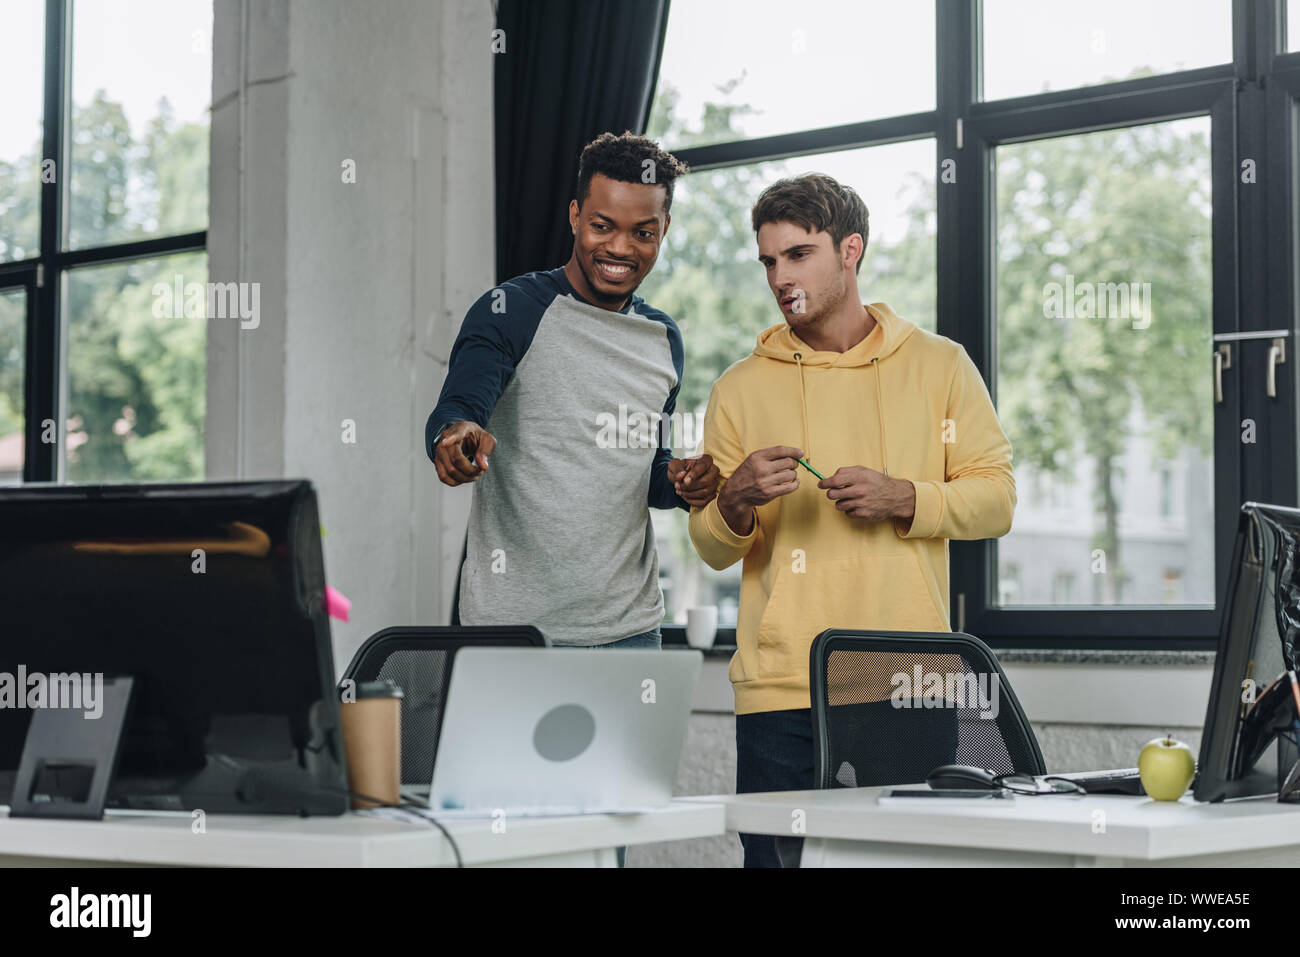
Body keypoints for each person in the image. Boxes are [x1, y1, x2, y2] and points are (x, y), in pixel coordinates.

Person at [688, 172, 1017, 867]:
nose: (780, 276)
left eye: (798, 253)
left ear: (850, 251)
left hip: (908, 679)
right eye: (769, 260)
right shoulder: (739, 389)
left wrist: (906, 498)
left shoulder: (941, 366)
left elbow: (997, 499)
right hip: (779, 690)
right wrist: (736, 499)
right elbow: (711, 548)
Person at [427, 132, 720, 651]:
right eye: (603, 226)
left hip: (630, 630)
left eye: (643, 232)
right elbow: (459, 410)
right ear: (575, 216)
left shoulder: (663, 339)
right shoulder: (511, 309)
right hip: (513, 632)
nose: (620, 249)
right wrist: (456, 437)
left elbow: (647, 472)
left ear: (664, 229)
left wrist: (682, 482)